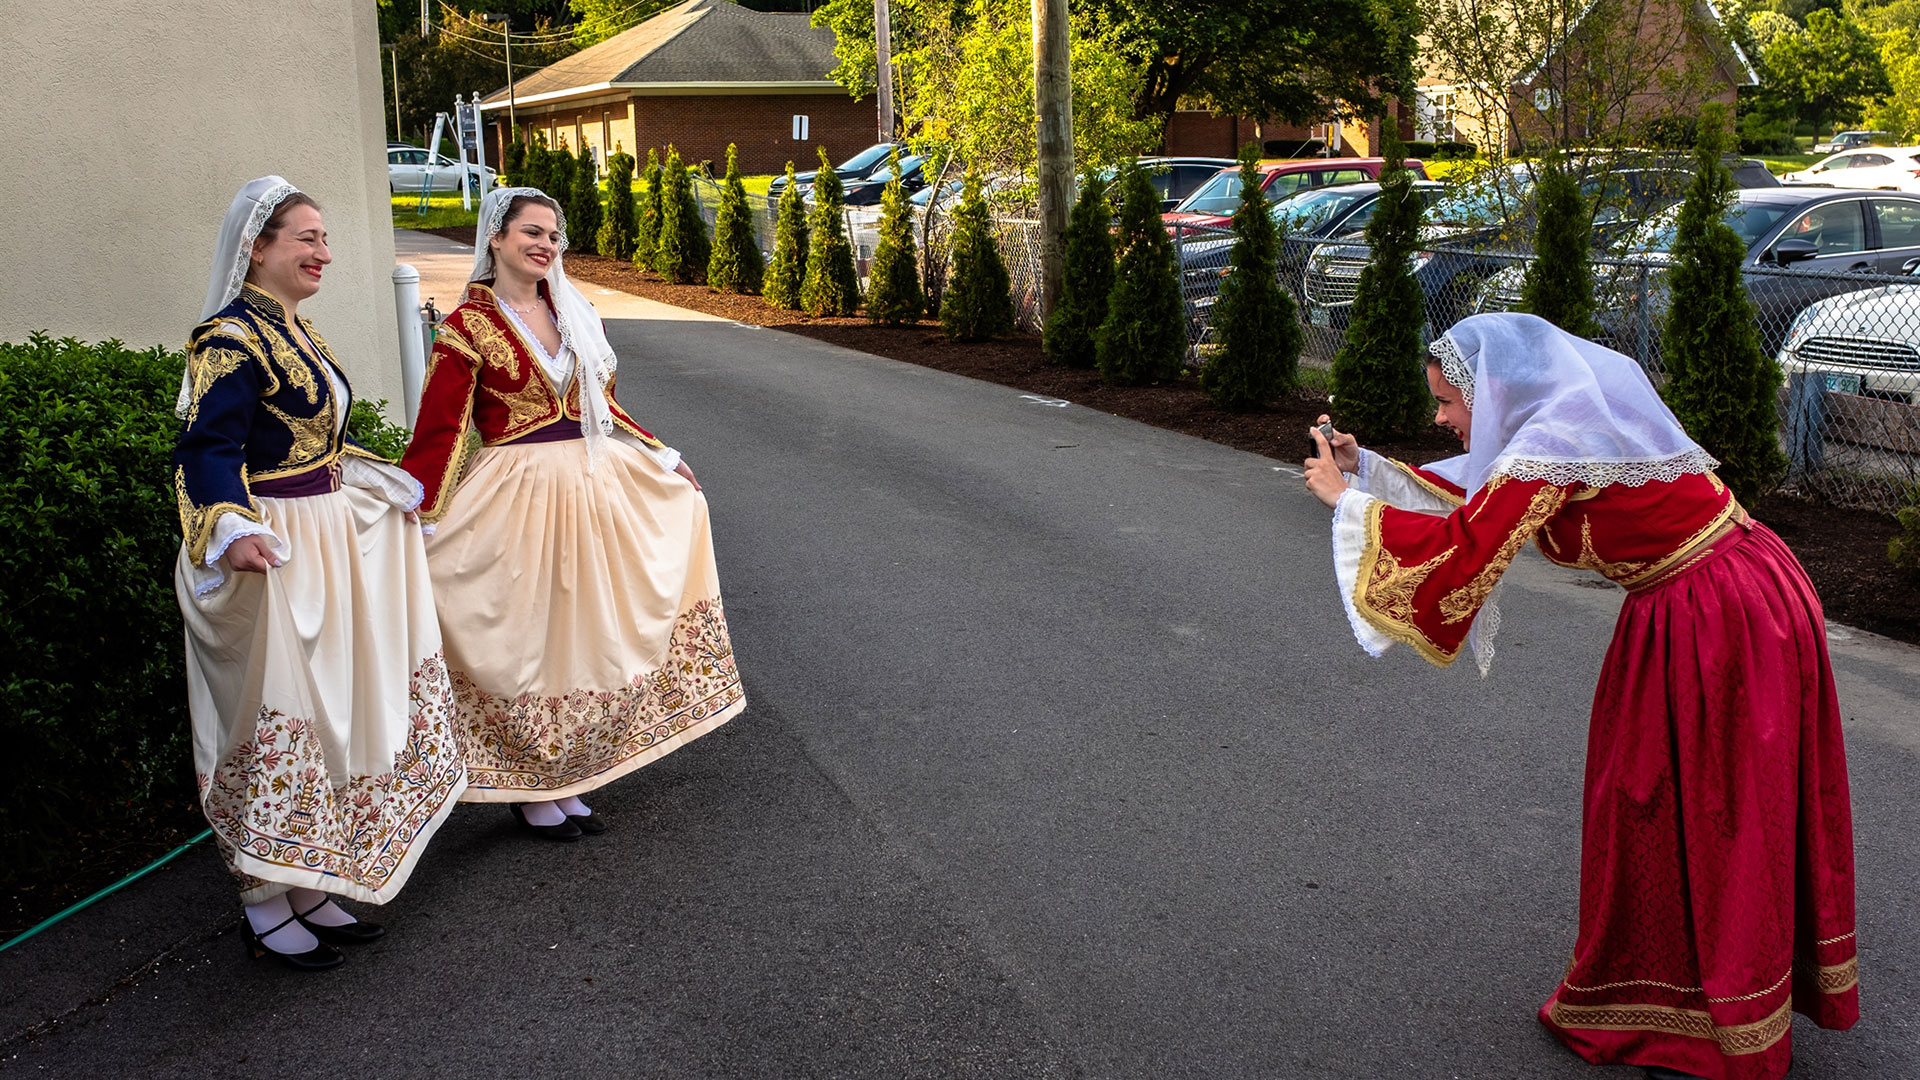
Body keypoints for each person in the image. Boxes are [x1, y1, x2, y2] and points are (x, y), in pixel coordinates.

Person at [1302, 313, 1856, 1080]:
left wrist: (1344, 503)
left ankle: (1700, 1009)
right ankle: (1716, 984)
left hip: (1714, 617)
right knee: (1699, 799)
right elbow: (1486, 493)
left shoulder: (1556, 441)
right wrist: (1367, 468)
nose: (1441, 419)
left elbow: (1468, 548)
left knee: (1683, 802)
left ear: (1491, 392)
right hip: (1739, 590)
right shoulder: (1562, 420)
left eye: (1447, 404)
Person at [174, 177, 467, 970]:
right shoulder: (230, 338)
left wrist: (382, 482)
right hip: (274, 549)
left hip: (324, 541)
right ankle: (263, 899)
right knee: (282, 713)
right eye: (305, 238)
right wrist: (230, 528)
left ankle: (307, 884)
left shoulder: (300, 332)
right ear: (256, 247)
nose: (323, 252)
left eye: (325, 238)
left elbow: (320, 450)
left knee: (330, 708)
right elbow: (208, 451)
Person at [399, 187, 744, 841]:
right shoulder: (468, 327)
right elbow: (441, 430)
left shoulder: (577, 312)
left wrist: (663, 456)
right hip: (513, 496)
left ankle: (573, 775)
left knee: (581, 639)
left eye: (554, 237)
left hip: (591, 487)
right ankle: (531, 787)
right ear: (495, 238)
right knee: (527, 640)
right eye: (531, 232)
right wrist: (425, 515)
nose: (545, 245)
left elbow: (604, 406)